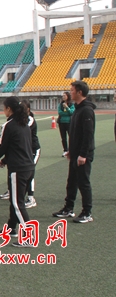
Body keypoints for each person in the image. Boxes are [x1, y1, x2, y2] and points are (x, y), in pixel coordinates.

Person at [0, 96, 35, 246]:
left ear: (9, 109)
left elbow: (3, 147)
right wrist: (5, 160)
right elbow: (17, 146)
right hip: (28, 167)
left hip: (18, 169)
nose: (3, 110)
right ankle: (11, 228)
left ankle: (29, 237)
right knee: (15, 200)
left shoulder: (10, 125)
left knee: (17, 203)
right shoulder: (24, 123)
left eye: (4, 107)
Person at [52, 81, 95, 223]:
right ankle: (68, 208)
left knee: (83, 183)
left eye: (72, 90)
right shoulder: (77, 109)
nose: (70, 93)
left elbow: (88, 135)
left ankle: (87, 212)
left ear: (79, 92)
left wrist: (83, 154)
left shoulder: (86, 110)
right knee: (72, 182)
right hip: (75, 152)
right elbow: (75, 133)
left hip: (83, 154)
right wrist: (71, 150)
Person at [57, 91, 74, 157]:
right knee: (63, 138)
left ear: (68, 96)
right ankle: (65, 150)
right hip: (61, 123)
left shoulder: (71, 104)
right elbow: (60, 112)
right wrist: (66, 113)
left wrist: (67, 107)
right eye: (63, 96)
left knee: (71, 137)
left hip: (69, 122)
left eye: (64, 95)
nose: (63, 97)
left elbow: (71, 112)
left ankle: (71, 150)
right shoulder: (60, 105)